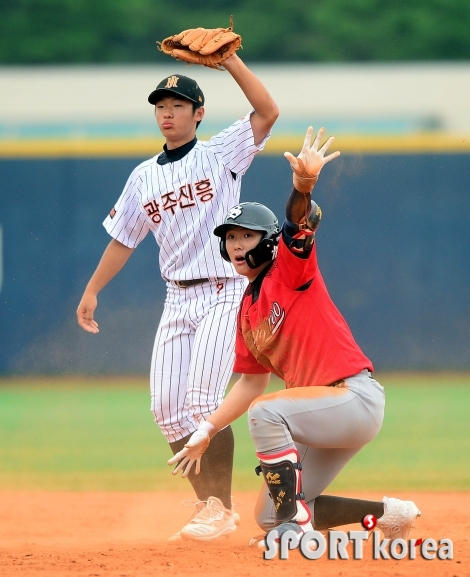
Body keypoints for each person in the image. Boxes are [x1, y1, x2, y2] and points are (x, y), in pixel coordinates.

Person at [168, 127, 421, 546]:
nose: (235, 244)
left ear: (267, 243)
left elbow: (297, 223)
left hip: (352, 397)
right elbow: (251, 382)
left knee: (266, 414)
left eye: (245, 235)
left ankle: (295, 525)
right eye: (230, 237)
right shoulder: (247, 313)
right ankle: (389, 516)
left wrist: (303, 186)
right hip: (319, 416)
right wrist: (207, 430)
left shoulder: (290, 270)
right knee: (268, 514)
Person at [76, 54, 279, 542]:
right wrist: (91, 291)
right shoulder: (143, 176)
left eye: (178, 104)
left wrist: (230, 61)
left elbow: (267, 112)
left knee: (202, 402)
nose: (168, 112)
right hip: (177, 297)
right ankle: (207, 504)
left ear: (199, 112)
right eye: (161, 105)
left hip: (223, 290)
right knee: (167, 408)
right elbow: (124, 239)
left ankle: (219, 508)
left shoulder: (220, 153)